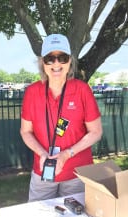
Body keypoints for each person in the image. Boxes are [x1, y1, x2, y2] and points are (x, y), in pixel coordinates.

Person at [20, 33, 102, 201]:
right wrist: (42, 153)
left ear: (70, 61)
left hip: (77, 173)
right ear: (43, 62)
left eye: (62, 58)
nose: (56, 64)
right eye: (50, 58)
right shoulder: (32, 92)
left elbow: (96, 132)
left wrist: (67, 154)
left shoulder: (82, 90)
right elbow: (25, 132)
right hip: (43, 171)